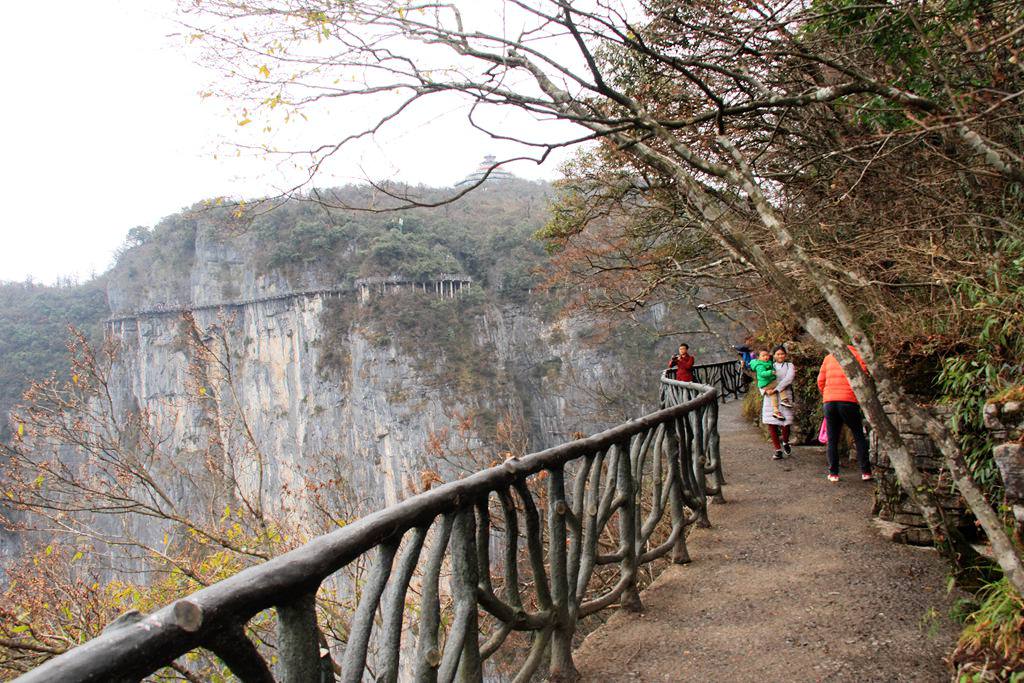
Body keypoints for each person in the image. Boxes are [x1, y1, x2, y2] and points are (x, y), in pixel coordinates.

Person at [817, 346, 872, 483]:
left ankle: (833, 473)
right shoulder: (858, 356)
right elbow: (864, 377)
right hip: (849, 401)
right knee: (858, 435)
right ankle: (866, 472)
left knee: (832, 438)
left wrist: (827, 395)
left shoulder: (829, 357)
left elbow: (820, 381)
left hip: (829, 402)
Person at [759, 346, 796, 459]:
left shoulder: (789, 365)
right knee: (772, 423)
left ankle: (785, 441)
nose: (780, 356)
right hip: (770, 395)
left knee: (786, 421)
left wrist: (777, 388)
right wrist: (764, 390)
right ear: (773, 355)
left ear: (785, 355)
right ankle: (777, 449)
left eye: (782, 354)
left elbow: (789, 378)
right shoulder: (768, 365)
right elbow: (761, 378)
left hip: (785, 394)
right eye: (778, 354)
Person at [749, 349, 792, 420]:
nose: (766, 357)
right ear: (758, 358)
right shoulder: (760, 365)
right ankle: (784, 399)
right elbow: (762, 374)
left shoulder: (768, 363)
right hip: (767, 383)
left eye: (767, 355)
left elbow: (789, 378)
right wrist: (770, 372)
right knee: (779, 384)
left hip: (766, 384)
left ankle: (776, 411)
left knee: (773, 396)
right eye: (763, 356)